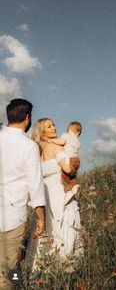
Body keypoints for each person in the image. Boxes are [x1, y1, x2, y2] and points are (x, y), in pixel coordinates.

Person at [0, 99, 46, 289]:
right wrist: (41, 217)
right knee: (12, 268)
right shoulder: (28, 146)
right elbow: (35, 184)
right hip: (13, 214)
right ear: (27, 118)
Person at [29, 118, 82, 262]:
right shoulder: (56, 147)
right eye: (49, 126)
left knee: (47, 224)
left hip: (45, 191)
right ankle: (63, 261)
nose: (54, 128)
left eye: (53, 125)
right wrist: (74, 170)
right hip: (58, 188)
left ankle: (43, 263)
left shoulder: (37, 149)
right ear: (43, 131)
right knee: (65, 221)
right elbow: (67, 169)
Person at [46, 122, 82, 203]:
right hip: (77, 160)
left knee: (63, 176)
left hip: (70, 160)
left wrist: (51, 140)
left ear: (69, 129)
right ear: (78, 132)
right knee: (71, 177)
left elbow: (62, 142)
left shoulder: (66, 135)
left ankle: (68, 191)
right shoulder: (77, 140)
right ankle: (75, 185)